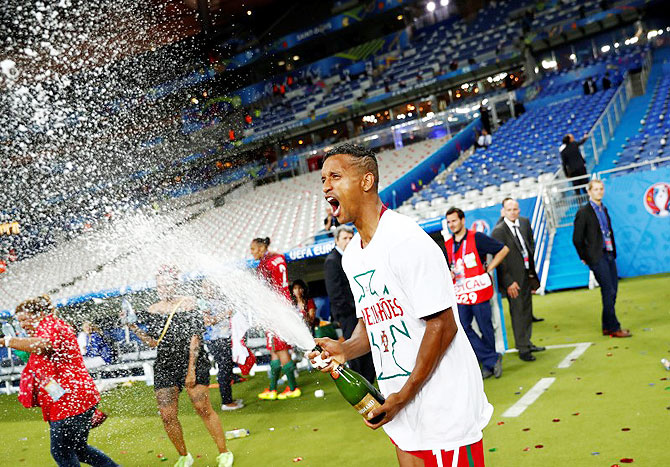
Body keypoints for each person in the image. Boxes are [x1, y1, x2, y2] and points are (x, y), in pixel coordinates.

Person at [311, 144, 492, 466]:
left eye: (335, 176)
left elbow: (443, 324)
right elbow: (373, 319)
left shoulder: (406, 240)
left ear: (367, 181)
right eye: (323, 179)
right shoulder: (352, 255)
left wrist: (403, 397)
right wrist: (346, 348)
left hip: (440, 403)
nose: (326, 186)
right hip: (396, 398)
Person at [127, 266, 233, 467]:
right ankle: (184, 456)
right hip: (165, 364)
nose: (163, 288)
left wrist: (191, 370)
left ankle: (224, 452)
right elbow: (153, 342)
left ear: (175, 284)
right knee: (167, 416)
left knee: (203, 408)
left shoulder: (189, 303)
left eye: (166, 284)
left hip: (193, 361)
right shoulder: (153, 309)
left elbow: (195, 338)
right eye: (159, 285)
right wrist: (133, 328)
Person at [1, 295, 118, 467]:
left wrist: (7, 341)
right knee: (78, 449)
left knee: (62, 452)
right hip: (71, 400)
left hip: (70, 401)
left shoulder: (50, 325)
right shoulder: (49, 327)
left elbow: (44, 345)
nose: (23, 325)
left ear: (39, 314)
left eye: (25, 319)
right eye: (19, 322)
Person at [445, 207, 509, 379]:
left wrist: (489, 268)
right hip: (460, 294)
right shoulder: (448, 245)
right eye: (449, 222)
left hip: (479, 291)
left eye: (454, 220)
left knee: (485, 327)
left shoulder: (476, 237)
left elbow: (503, 250)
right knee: (463, 328)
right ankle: (491, 358)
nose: (452, 224)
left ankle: (489, 364)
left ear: (462, 220)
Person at [572, 179, 632, 338]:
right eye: (596, 189)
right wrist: (585, 257)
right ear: (589, 192)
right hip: (597, 257)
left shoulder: (603, 209)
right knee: (609, 290)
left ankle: (606, 326)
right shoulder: (583, 212)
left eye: (601, 189)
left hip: (609, 254)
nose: (599, 191)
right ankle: (614, 328)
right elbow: (577, 238)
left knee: (613, 290)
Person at [491, 198, 545, 362]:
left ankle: (527, 342)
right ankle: (522, 348)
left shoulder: (524, 222)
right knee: (518, 312)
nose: (513, 212)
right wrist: (508, 282)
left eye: (515, 209)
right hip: (513, 279)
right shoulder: (499, 231)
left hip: (527, 274)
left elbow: (530, 244)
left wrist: (530, 270)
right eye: (509, 210)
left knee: (527, 310)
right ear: (504, 211)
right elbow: (499, 260)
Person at [250, 237, 301, 401]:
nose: (251, 252)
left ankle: (293, 388)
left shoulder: (264, 264)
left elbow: (263, 290)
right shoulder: (278, 257)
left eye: (252, 249)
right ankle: (272, 389)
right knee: (274, 349)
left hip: (275, 310)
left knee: (280, 349)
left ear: (260, 248)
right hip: (283, 307)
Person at [324, 224, 375, 384]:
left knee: (369, 356)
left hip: (361, 313)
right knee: (358, 357)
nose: (348, 241)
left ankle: (371, 387)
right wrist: (355, 311)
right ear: (336, 240)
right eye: (344, 238)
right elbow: (336, 294)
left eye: (350, 238)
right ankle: (364, 391)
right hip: (349, 317)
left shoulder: (354, 257)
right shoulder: (332, 261)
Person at [199, 280, 243, 411]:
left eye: (211, 286)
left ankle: (229, 398)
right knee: (224, 368)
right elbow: (208, 322)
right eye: (206, 287)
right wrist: (226, 314)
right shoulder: (203, 302)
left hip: (225, 338)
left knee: (228, 366)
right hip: (215, 340)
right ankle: (226, 402)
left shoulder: (219, 299)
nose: (209, 290)